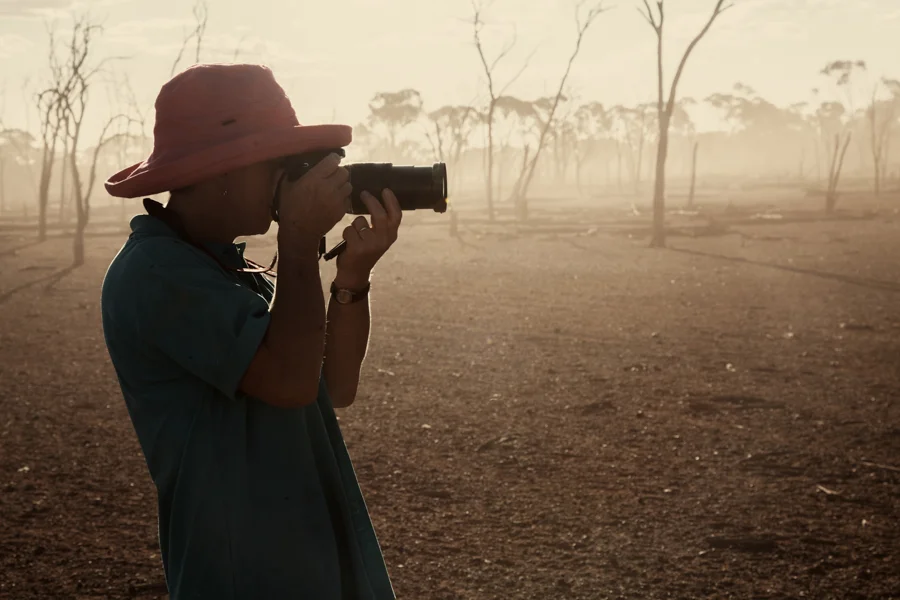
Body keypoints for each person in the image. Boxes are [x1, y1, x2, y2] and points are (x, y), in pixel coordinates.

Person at [100, 63, 398, 599]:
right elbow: (288, 383)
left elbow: (334, 387)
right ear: (219, 171)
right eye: (277, 164)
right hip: (244, 570)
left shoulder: (222, 267)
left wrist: (352, 280)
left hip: (304, 554)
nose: (290, 179)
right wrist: (300, 239)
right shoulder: (157, 273)